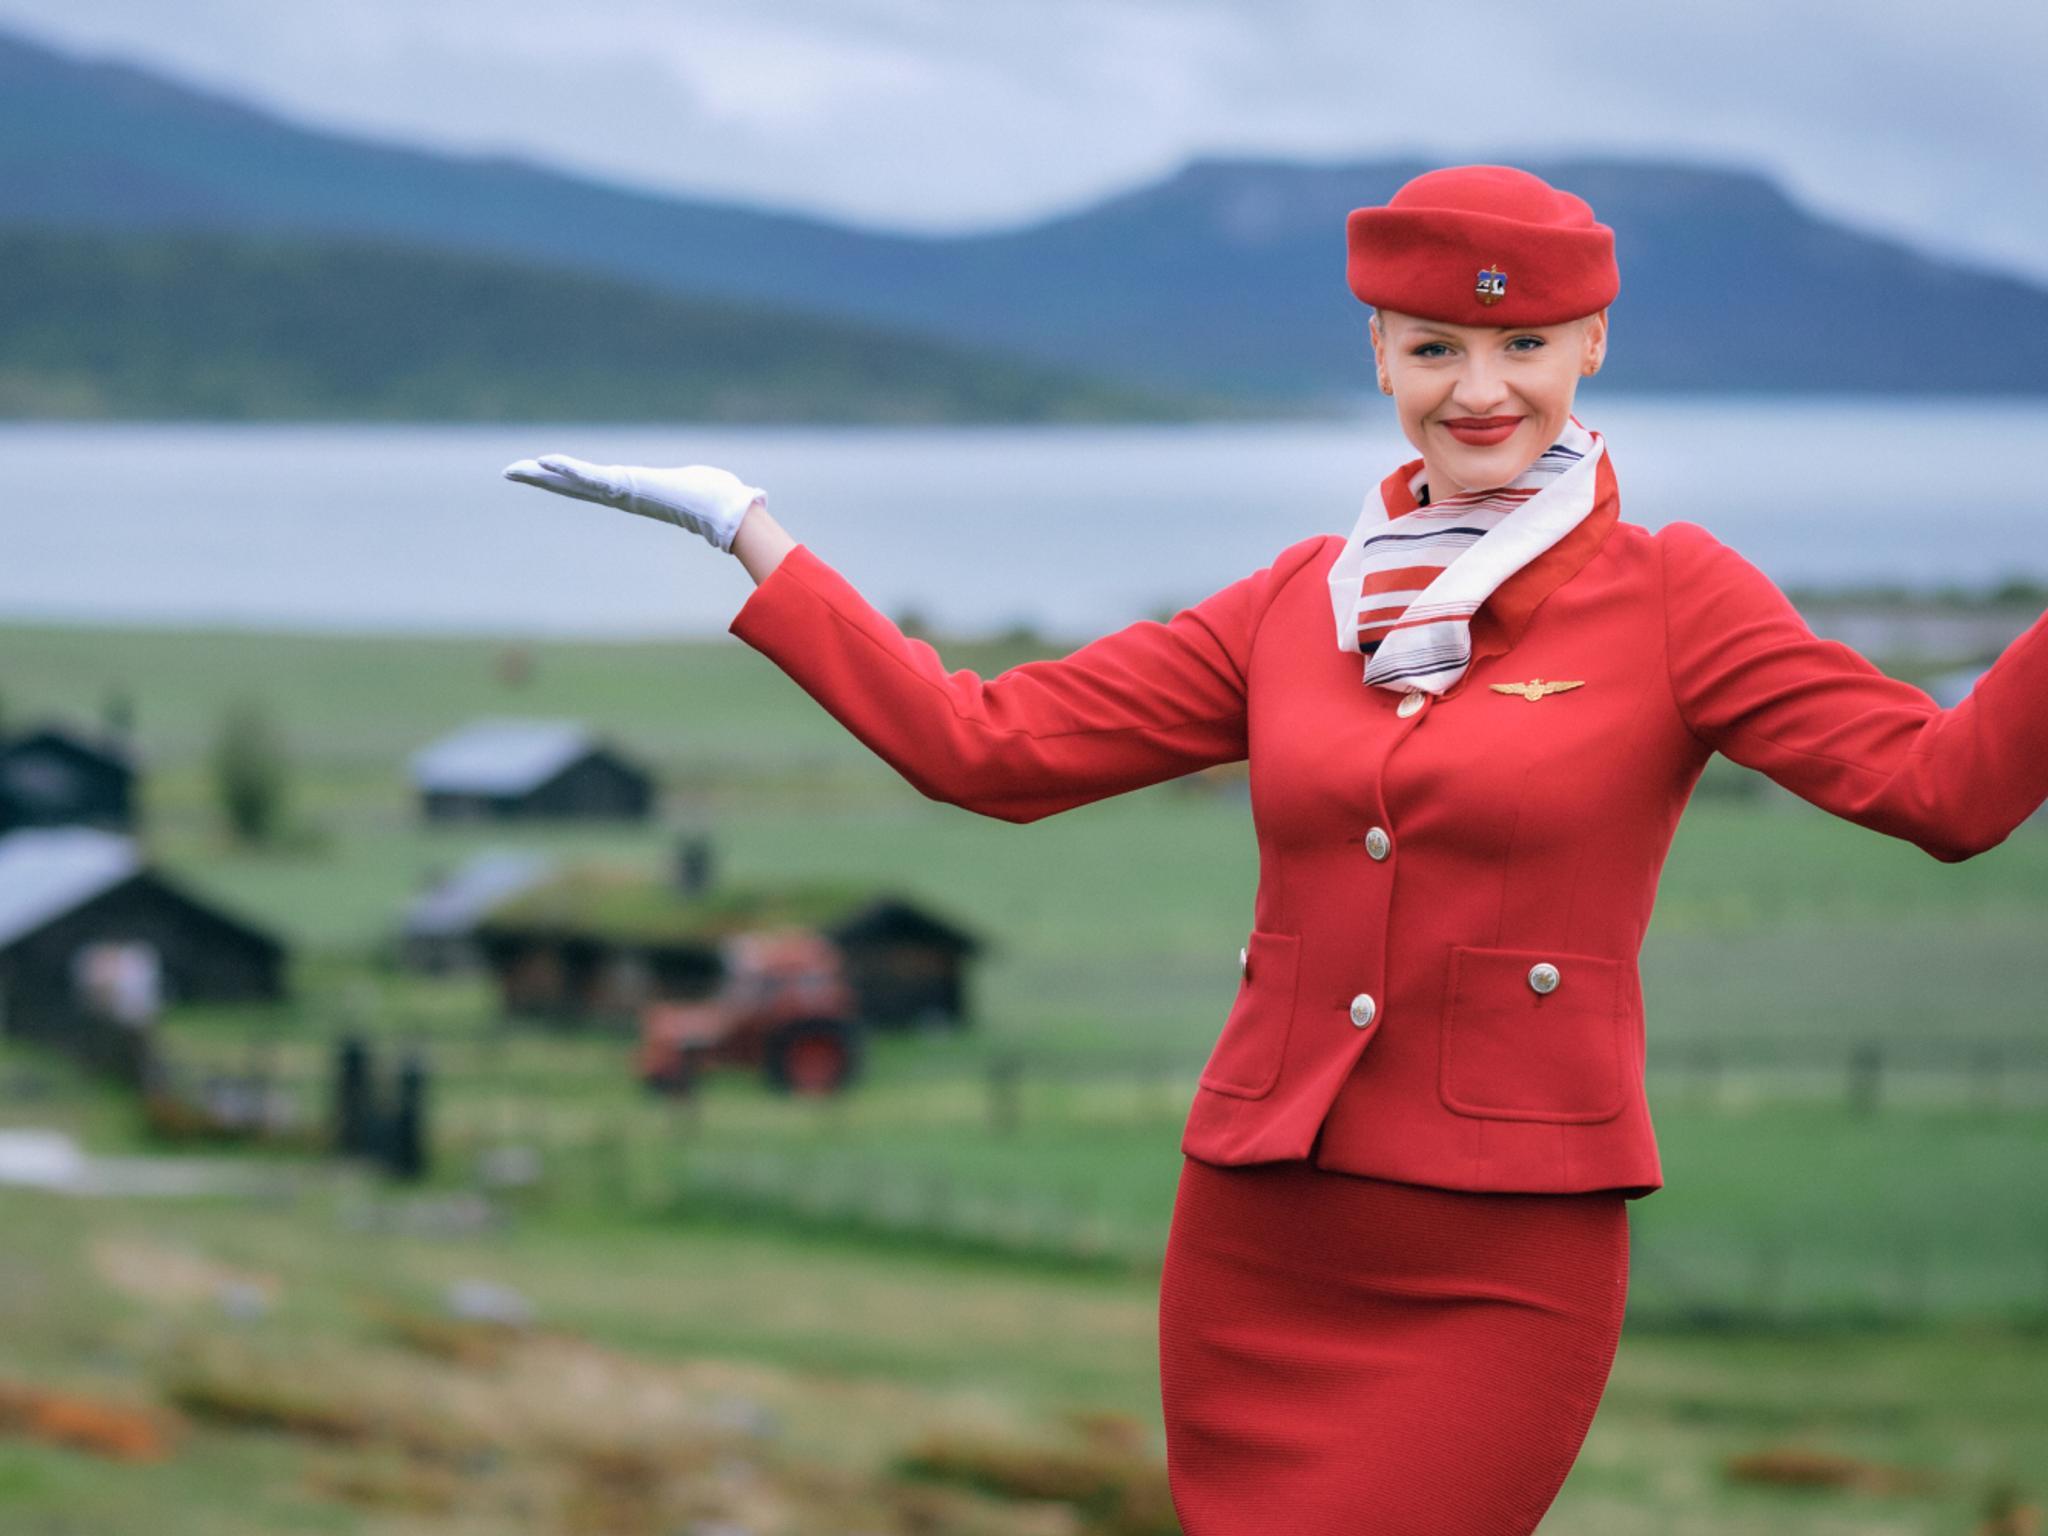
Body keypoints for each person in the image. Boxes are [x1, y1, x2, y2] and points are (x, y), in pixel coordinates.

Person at [501, 164, 2048, 1534]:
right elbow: (987, 750)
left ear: (1592, 349)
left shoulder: (1677, 597)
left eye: (1523, 346)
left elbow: (1948, 789)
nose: (1481, 389)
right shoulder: (1295, 602)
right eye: (1436, 346)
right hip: (1260, 1237)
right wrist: (748, 531)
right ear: (1379, 353)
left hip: (1501, 1258)